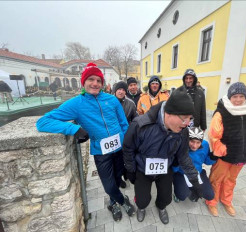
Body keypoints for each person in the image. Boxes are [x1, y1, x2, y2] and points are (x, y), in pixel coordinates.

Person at [36, 63, 135, 222]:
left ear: (102, 84)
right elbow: (43, 122)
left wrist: (125, 141)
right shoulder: (76, 104)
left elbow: (124, 123)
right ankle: (123, 201)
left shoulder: (112, 99)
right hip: (101, 152)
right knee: (109, 185)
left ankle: (112, 202)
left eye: (98, 80)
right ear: (84, 82)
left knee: (118, 179)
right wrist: (73, 129)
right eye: (91, 79)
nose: (95, 83)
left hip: (119, 149)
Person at [123, 86, 204, 224]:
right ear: (169, 113)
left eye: (189, 119)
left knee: (166, 198)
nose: (187, 124)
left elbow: (183, 156)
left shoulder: (182, 131)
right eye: (184, 119)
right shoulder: (141, 125)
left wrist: (194, 180)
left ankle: (161, 207)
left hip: (165, 168)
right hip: (143, 169)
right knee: (142, 199)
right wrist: (130, 170)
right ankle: (141, 207)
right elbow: (128, 148)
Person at [206, 82, 246, 217]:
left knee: (231, 179)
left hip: (242, 153)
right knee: (217, 178)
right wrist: (221, 149)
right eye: (235, 96)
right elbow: (213, 134)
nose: (238, 100)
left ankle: (226, 200)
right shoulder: (221, 112)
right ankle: (212, 201)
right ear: (230, 97)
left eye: (241, 96)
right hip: (225, 154)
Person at [172, 127, 215, 203]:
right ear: (187, 140)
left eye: (198, 142)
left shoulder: (205, 145)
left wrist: (214, 156)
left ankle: (192, 190)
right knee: (182, 195)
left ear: (201, 142)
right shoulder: (180, 145)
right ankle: (180, 192)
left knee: (209, 195)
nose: (194, 146)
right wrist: (175, 163)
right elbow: (174, 169)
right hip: (181, 173)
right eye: (192, 141)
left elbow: (207, 162)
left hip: (198, 172)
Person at [114, 80, 138, 188]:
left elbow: (135, 119)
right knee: (116, 158)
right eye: (119, 89)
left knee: (126, 155)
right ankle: (118, 179)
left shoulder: (130, 103)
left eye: (123, 89)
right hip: (112, 134)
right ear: (115, 91)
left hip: (125, 133)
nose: (121, 91)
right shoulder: (109, 102)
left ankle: (126, 173)